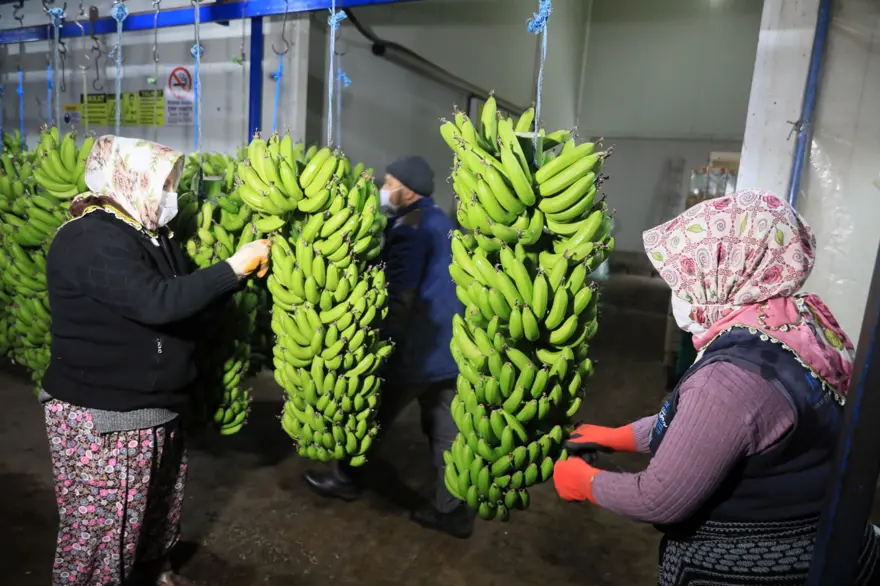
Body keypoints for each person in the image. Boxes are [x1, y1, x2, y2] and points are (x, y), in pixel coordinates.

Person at [552, 190, 880, 585]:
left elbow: (660, 497)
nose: (677, 292)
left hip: (763, 571)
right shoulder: (792, 324)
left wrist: (587, 483)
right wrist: (621, 437)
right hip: (835, 547)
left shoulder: (729, 379)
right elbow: (725, 426)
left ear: (726, 272)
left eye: (687, 276)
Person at [42, 135, 272, 586]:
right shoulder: (89, 238)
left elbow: (182, 302)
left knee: (154, 512)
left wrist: (236, 281)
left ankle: (152, 573)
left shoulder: (149, 233)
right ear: (128, 180)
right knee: (101, 536)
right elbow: (158, 303)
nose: (170, 196)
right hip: (105, 417)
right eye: (162, 185)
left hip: (152, 407)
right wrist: (232, 267)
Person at [302, 155, 473, 538]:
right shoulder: (441, 221)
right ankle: (453, 511)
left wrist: (383, 340)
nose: (384, 188)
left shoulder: (411, 226)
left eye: (389, 182)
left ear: (408, 189)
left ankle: (345, 478)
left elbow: (401, 291)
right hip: (452, 346)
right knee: (445, 430)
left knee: (372, 413)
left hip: (417, 347)